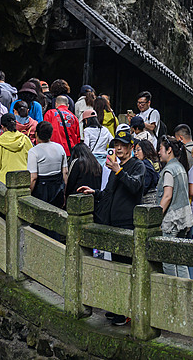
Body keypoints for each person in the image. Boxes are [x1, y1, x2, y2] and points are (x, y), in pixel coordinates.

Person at [78, 126, 146, 326]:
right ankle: (118, 308)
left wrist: (119, 171)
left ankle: (127, 311)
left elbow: (135, 187)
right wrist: (94, 193)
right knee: (117, 268)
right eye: (116, 145)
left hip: (128, 224)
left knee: (127, 268)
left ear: (131, 147)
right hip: (112, 223)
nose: (119, 149)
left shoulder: (137, 166)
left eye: (123, 146)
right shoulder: (114, 167)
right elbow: (109, 193)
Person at [157, 137, 193, 278]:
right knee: (179, 260)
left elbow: (167, 196)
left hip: (171, 221)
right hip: (183, 218)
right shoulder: (180, 167)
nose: (158, 152)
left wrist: (156, 217)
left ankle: (173, 292)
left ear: (169, 150)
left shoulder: (169, 170)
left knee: (168, 261)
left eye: (160, 148)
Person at [27, 121, 67, 208]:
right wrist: (65, 193)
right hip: (57, 188)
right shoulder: (60, 148)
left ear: (36, 134)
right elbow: (65, 173)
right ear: (51, 134)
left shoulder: (33, 151)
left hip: (41, 189)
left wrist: (28, 195)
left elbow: (33, 177)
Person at [0, 113, 33, 184]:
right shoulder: (24, 139)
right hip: (23, 180)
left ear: (2, 126)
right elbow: (31, 160)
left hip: (4, 181)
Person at [65, 142, 103, 207]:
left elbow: (71, 182)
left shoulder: (77, 162)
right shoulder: (97, 164)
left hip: (77, 199)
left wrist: (66, 196)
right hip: (93, 199)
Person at [134, 138, 161, 205]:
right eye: (135, 151)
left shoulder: (145, 163)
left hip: (147, 199)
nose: (136, 153)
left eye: (138, 150)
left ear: (145, 149)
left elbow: (146, 184)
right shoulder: (153, 162)